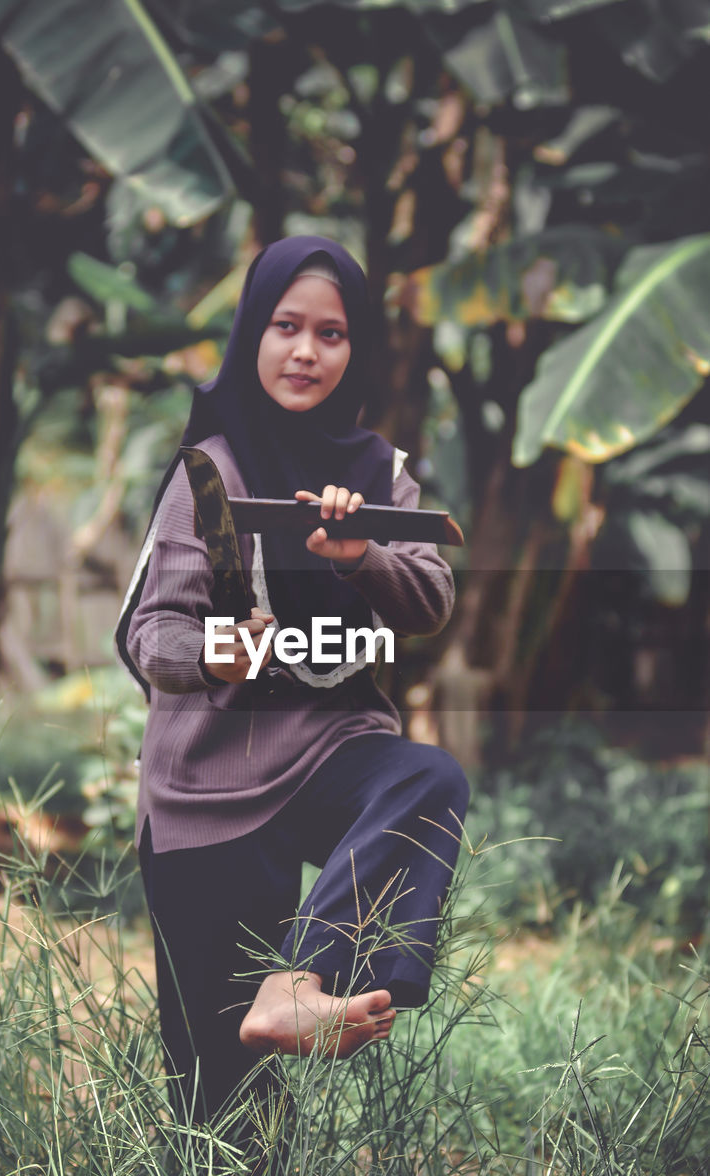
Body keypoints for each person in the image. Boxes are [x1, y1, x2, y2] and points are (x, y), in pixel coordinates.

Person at [115, 235, 469, 1124]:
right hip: (205, 787)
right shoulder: (210, 472)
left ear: (356, 352)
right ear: (252, 334)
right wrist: (217, 652)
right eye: (286, 326)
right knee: (221, 1100)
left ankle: (298, 979)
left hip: (326, 754)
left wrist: (362, 554)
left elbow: (430, 597)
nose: (307, 351)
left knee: (426, 778)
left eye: (332, 334)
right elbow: (150, 631)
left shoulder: (378, 471)